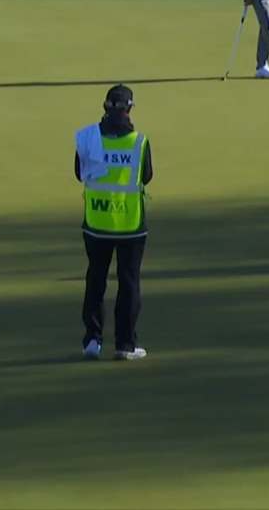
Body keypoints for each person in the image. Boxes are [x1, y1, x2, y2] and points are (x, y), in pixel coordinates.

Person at [75, 84, 153, 361]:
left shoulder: (87, 139)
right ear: (130, 108)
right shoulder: (139, 142)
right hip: (130, 226)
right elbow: (146, 177)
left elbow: (78, 173)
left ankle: (92, 341)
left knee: (95, 281)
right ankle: (125, 344)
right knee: (129, 284)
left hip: (96, 224)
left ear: (105, 107)